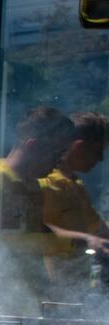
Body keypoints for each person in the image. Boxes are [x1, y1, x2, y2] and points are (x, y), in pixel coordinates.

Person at [0, 106, 75, 314]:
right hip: (0, 306)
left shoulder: (33, 186)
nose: (61, 161)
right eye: (58, 153)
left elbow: (32, 234)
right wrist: (64, 242)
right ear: (33, 146)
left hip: (31, 301)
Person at [41, 111, 109, 293]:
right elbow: (39, 230)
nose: (100, 159)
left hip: (75, 290)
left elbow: (100, 231)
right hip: (51, 290)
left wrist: (93, 238)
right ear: (79, 147)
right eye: (98, 151)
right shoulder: (46, 183)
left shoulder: (75, 184)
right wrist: (88, 239)